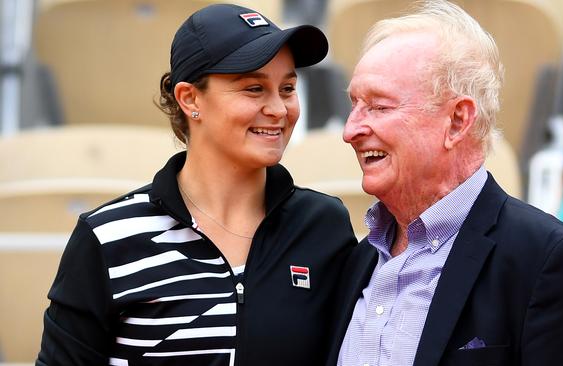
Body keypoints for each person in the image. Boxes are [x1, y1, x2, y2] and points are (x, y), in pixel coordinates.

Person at [37, 4, 356, 366]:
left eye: (286, 88)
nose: (279, 109)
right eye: (254, 88)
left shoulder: (323, 225)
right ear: (189, 99)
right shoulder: (108, 237)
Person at [329, 1, 563, 365]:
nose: (350, 131)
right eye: (354, 105)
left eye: (379, 107)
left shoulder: (549, 262)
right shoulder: (356, 261)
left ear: (457, 121)